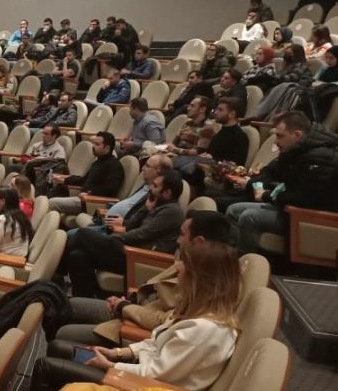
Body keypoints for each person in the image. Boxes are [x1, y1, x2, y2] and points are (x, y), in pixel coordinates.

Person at [31, 240, 240, 391]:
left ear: (200, 280)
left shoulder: (205, 330)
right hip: (138, 367)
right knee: (58, 348)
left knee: (46, 367)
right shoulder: (194, 311)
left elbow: (157, 375)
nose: (178, 272)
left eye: (184, 268)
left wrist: (112, 366)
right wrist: (120, 353)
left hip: (142, 384)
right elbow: (156, 343)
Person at [56, 210, 232, 348]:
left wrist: (124, 306)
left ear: (199, 242)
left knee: (63, 333)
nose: (178, 241)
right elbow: (154, 291)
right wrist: (128, 300)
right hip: (134, 309)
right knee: (68, 290)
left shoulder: (202, 280)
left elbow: (165, 321)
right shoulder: (188, 259)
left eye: (182, 234)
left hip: (135, 328)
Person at [227, 111, 338, 254]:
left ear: (297, 135)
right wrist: (258, 188)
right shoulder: (293, 148)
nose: (276, 142)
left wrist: (266, 195)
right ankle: (235, 257)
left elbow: (304, 199)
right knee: (233, 210)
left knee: (249, 217)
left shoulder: (322, 158)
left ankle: (248, 263)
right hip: (288, 208)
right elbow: (267, 173)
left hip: (309, 216)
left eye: (280, 136)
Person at [65, 169, 186, 298]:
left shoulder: (172, 211)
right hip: (130, 250)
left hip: (139, 258)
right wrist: (146, 208)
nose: (150, 188)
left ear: (167, 193)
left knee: (83, 235)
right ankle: (85, 299)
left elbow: (141, 234)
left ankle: (57, 272)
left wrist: (114, 238)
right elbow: (130, 225)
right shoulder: (158, 204)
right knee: (77, 255)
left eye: (155, 186)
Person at [72, 154, 174, 238]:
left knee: (75, 237)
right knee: (72, 239)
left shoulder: (157, 195)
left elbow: (142, 223)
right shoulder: (145, 186)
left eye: (147, 166)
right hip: (109, 225)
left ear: (159, 171)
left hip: (119, 231)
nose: (142, 168)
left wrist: (124, 223)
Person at [48, 132, 125, 215]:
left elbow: (110, 190)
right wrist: (64, 180)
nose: (93, 146)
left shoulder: (114, 166)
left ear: (107, 148)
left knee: (51, 203)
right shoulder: (98, 162)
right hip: (84, 198)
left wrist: (90, 193)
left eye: (97, 144)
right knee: (48, 196)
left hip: (93, 203)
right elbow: (84, 180)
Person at [174, 97, 249, 180]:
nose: (216, 112)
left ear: (232, 114)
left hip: (215, 177)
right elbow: (210, 155)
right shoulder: (220, 133)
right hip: (202, 170)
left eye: (220, 110)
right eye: (216, 109)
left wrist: (211, 164)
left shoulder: (241, 137)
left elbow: (236, 167)